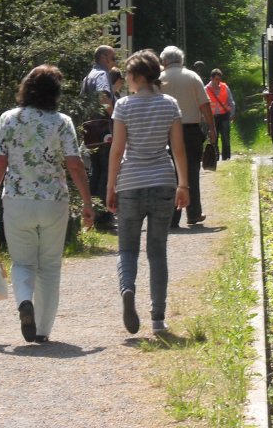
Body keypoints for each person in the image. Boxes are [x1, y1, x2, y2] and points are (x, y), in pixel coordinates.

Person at [0, 65, 95, 343]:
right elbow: (75, 165)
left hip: (17, 200)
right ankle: (43, 330)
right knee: (49, 265)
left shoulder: (8, 119)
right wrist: (87, 202)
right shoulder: (62, 122)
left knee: (22, 262)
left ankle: (24, 302)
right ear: (55, 93)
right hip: (53, 202)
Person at [106, 50, 189, 335]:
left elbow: (117, 151)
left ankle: (128, 290)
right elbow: (178, 149)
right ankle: (158, 319)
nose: (126, 79)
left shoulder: (123, 107)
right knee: (157, 252)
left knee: (127, 249)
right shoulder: (170, 105)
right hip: (163, 182)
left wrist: (110, 187)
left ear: (138, 76)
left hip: (130, 183)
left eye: (128, 74)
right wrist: (183, 185)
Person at [159, 46, 216, 228]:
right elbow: (204, 105)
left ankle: (172, 218)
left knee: (170, 174)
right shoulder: (192, 77)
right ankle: (194, 213)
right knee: (191, 172)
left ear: (164, 61)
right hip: (190, 131)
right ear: (181, 60)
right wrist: (212, 128)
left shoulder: (158, 79)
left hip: (165, 132)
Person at [80, 45, 116, 205]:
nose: (114, 63)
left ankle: (93, 210)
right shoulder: (102, 74)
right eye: (113, 58)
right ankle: (103, 214)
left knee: (96, 170)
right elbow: (103, 98)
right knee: (106, 170)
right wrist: (116, 117)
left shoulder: (88, 76)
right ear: (103, 57)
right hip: (103, 129)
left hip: (90, 129)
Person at [205, 68, 235, 161]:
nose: (218, 82)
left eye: (219, 79)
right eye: (216, 79)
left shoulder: (224, 87)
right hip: (212, 117)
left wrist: (232, 114)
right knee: (214, 139)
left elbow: (231, 102)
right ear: (212, 78)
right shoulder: (206, 89)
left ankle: (226, 159)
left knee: (226, 139)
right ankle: (215, 159)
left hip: (224, 116)